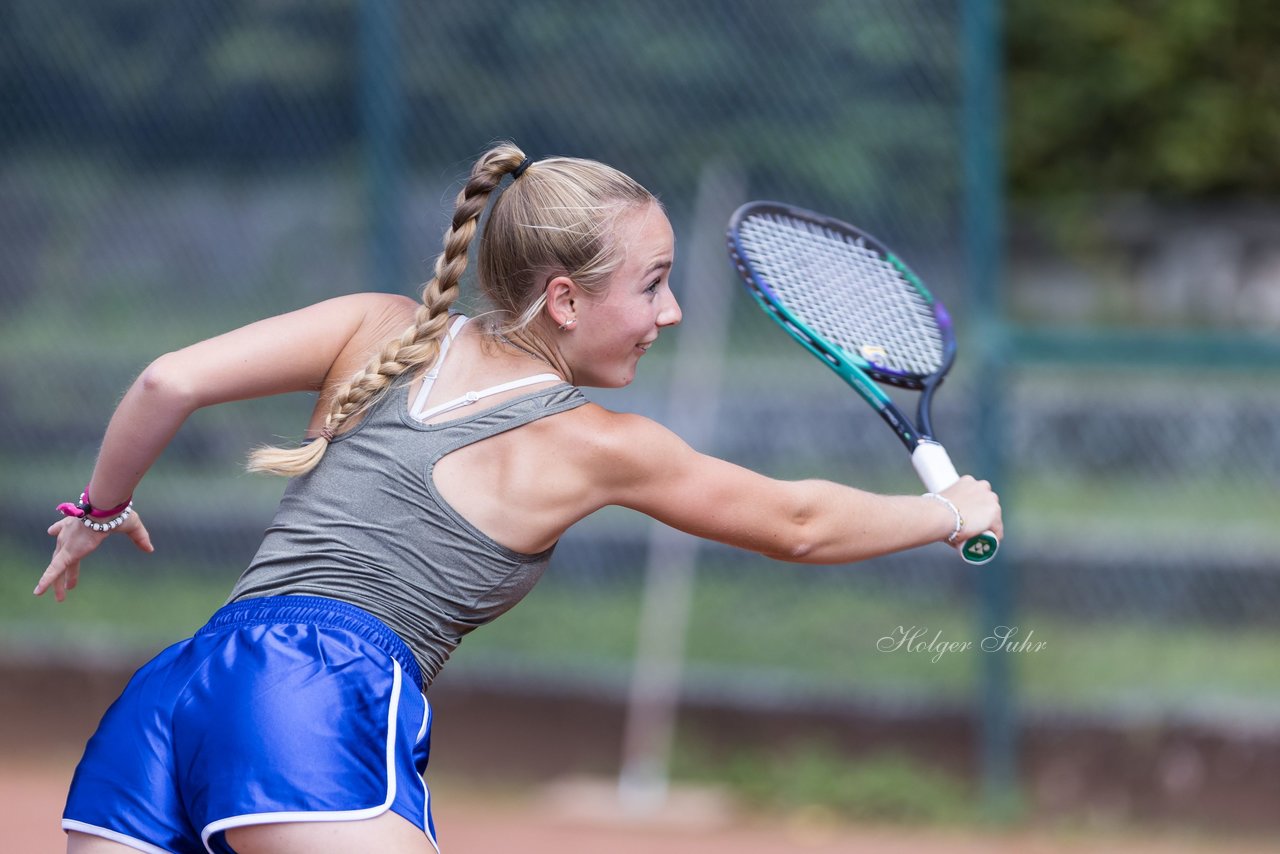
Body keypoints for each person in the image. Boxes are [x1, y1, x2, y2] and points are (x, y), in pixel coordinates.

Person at [36, 141, 1002, 854]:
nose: (669, 313)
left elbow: (167, 379)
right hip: (313, 693)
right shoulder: (590, 442)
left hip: (177, 692)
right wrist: (951, 512)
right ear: (566, 301)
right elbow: (794, 523)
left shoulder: (375, 326)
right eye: (654, 285)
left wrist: (96, 514)